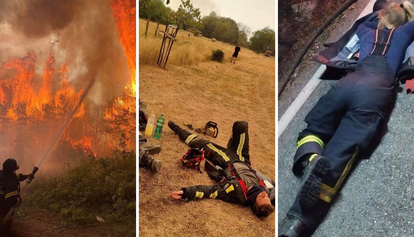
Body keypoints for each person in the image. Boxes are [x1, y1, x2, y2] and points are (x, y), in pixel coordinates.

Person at [279, 2, 414, 236]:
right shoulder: (406, 31)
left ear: (380, 16)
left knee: (314, 130)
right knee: (341, 153)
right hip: (376, 90)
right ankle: (295, 223)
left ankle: (309, 158)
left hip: (348, 82)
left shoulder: (365, 30)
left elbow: (376, 11)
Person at [168, 120, 275, 218]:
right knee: (241, 125)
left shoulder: (234, 193)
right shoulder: (267, 189)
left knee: (197, 142)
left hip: (224, 159)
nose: (264, 194)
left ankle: (176, 128)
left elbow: (210, 192)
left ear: (253, 201)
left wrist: (186, 192)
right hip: (243, 158)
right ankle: (232, 145)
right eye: (267, 198)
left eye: (261, 198)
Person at [0, 158, 34, 234]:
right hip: (4, 215)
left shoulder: (2, 173)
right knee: (5, 232)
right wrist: (18, 200)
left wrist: (27, 176)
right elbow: (10, 201)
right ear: (12, 170)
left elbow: (16, 176)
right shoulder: (10, 182)